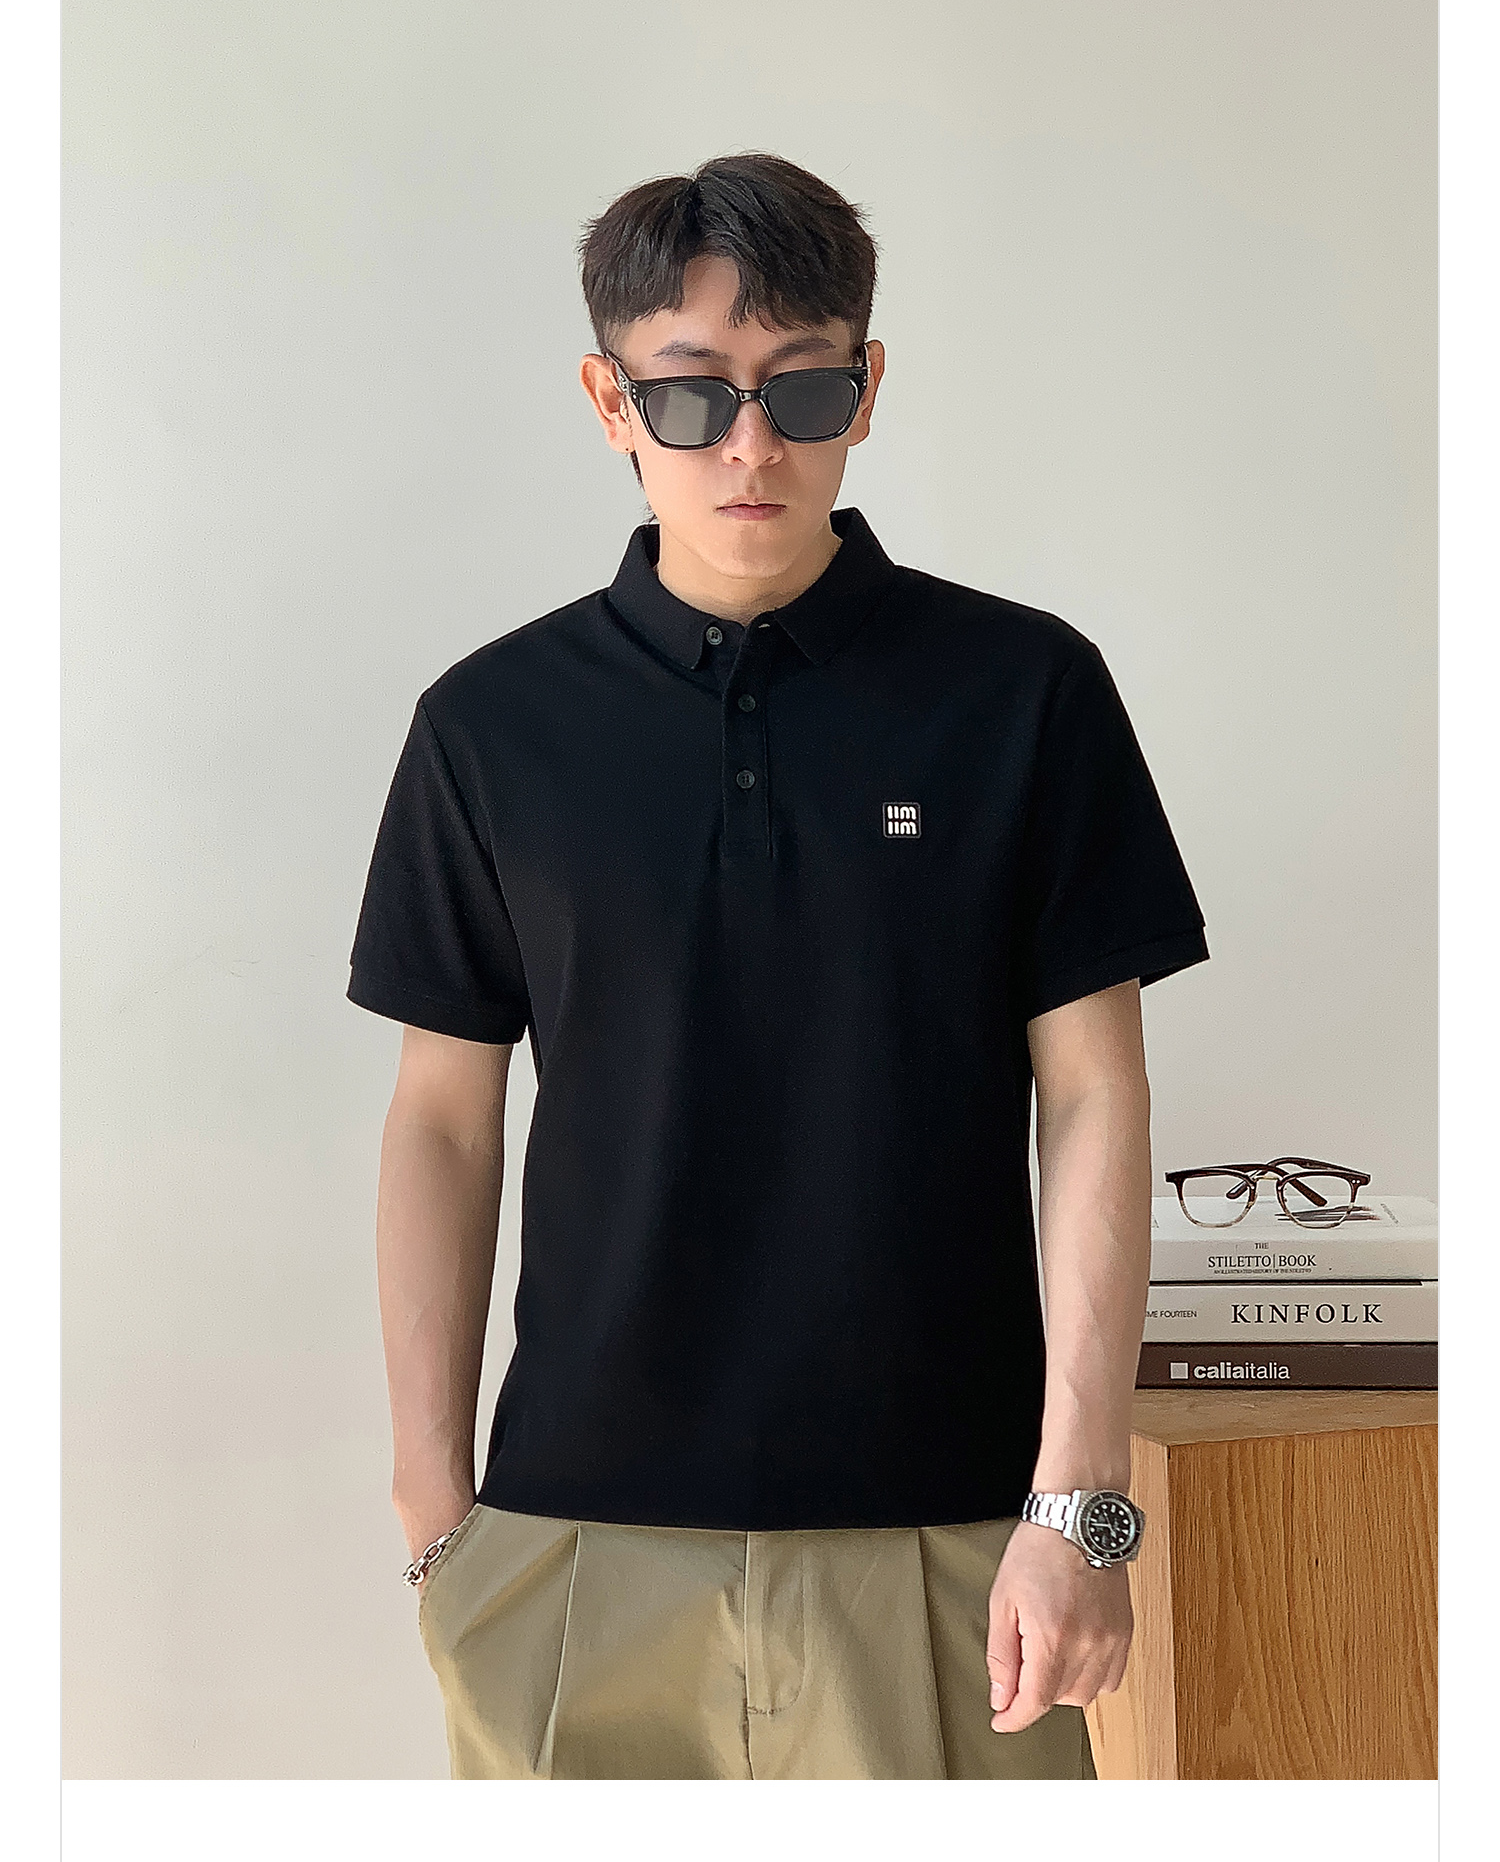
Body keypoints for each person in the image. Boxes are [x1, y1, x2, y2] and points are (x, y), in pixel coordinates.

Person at [347, 151, 1209, 1780]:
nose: (750, 447)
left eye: (801, 391)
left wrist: (1078, 1503)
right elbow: (444, 1121)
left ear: (866, 391)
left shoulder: (1024, 695)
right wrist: (434, 1511)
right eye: (691, 396)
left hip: (954, 1540)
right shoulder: (490, 727)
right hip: (573, 1544)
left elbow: (1096, 1098)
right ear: (609, 400)